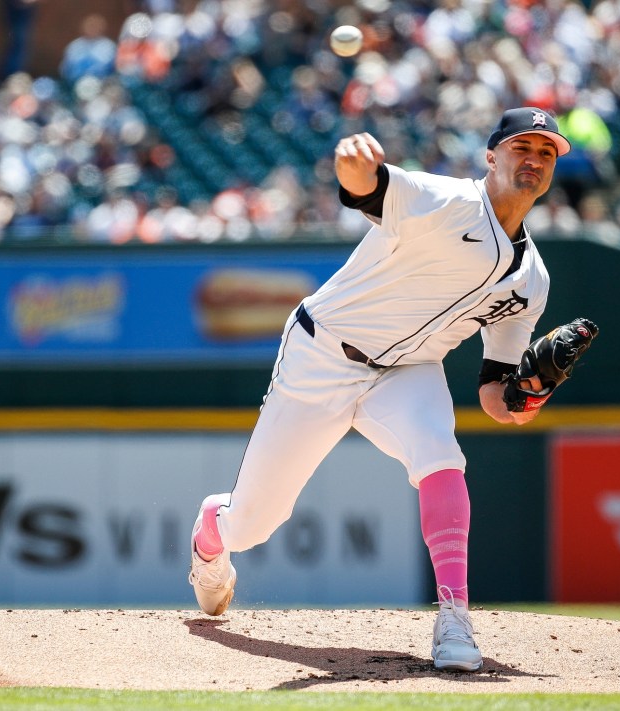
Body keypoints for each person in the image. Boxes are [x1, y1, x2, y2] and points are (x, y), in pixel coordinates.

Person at [188, 107, 574, 672]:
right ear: (492, 156)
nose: (534, 159)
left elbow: (495, 395)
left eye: (546, 152)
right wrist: (355, 165)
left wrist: (528, 396)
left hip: (409, 369)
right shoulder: (444, 200)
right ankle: (212, 530)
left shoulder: (532, 281)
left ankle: (454, 618)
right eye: (522, 147)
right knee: (253, 524)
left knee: (441, 456)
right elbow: (368, 189)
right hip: (323, 354)